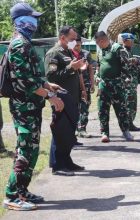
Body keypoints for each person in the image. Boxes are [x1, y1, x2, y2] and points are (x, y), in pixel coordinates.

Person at [3, 2, 64, 211]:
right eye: (32, 18)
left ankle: (22, 190)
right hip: (23, 108)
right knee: (25, 150)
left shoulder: (26, 43)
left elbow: (34, 76)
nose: (36, 22)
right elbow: (25, 82)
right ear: (22, 21)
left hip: (31, 107)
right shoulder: (20, 44)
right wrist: (50, 97)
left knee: (33, 149)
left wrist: (48, 84)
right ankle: (11, 195)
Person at [45, 26, 87, 176]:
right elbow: (51, 78)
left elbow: (72, 73)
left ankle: (66, 161)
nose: (74, 41)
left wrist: (77, 69)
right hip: (61, 99)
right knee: (60, 131)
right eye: (71, 39)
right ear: (62, 38)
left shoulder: (68, 52)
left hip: (72, 98)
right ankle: (57, 165)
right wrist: (71, 67)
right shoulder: (53, 53)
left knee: (69, 133)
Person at [95, 31, 134, 143]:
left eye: (98, 43)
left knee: (121, 109)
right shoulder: (100, 51)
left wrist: (124, 81)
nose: (98, 45)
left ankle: (126, 131)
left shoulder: (117, 49)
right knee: (102, 109)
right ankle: (104, 133)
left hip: (117, 85)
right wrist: (97, 76)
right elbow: (99, 65)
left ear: (102, 40)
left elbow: (125, 66)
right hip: (103, 86)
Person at [73, 35, 95, 138]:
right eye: (75, 45)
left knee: (85, 106)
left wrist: (92, 83)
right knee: (74, 107)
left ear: (81, 44)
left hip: (85, 83)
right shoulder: (69, 53)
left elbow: (90, 69)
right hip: (73, 84)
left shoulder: (86, 54)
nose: (76, 47)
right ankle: (75, 128)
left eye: (78, 45)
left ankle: (82, 129)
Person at [120, 33, 140, 131]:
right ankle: (127, 124)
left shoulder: (129, 51)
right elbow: (124, 63)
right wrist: (133, 60)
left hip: (132, 83)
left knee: (132, 104)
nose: (132, 42)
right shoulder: (122, 51)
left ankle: (130, 123)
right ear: (125, 41)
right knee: (128, 103)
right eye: (131, 40)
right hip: (127, 83)